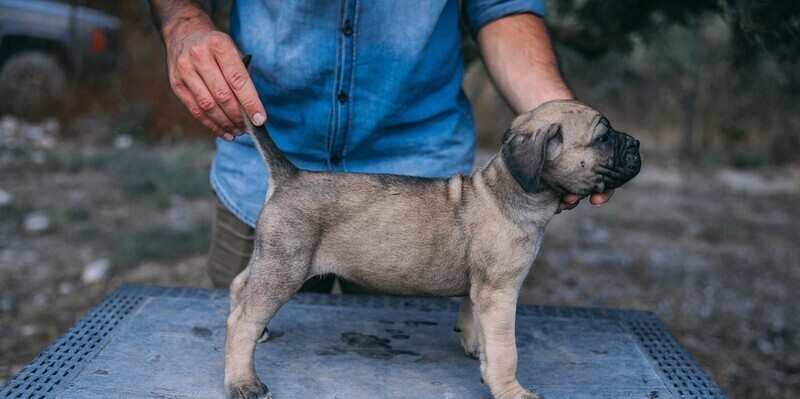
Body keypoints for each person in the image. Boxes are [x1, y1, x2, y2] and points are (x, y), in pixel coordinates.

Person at [148, 0, 614, 290]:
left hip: (425, 206)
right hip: (262, 177)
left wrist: (567, 130)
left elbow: (503, 9)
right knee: (253, 304)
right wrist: (183, 23)